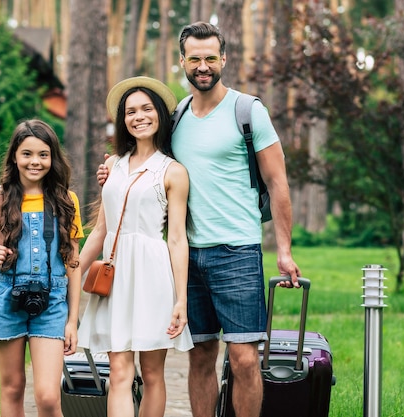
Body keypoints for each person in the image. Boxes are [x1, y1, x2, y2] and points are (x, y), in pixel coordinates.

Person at [97, 22, 301, 417]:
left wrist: (285, 250)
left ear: (223, 59)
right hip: (185, 255)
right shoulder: (177, 117)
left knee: (243, 359)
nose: (203, 66)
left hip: (237, 251)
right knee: (200, 356)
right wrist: (111, 169)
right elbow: (145, 161)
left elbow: (278, 183)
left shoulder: (248, 111)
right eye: (195, 59)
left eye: (211, 58)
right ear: (182, 62)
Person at [78, 76, 193, 417]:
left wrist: (181, 299)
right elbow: (102, 228)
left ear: (159, 114)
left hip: (153, 274)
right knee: (118, 373)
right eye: (130, 111)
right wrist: (72, 268)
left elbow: (176, 238)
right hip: (115, 274)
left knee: (154, 373)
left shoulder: (173, 171)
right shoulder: (112, 165)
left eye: (146, 109)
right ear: (122, 120)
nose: (138, 116)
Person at [0, 119, 84, 417]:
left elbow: (73, 264)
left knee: (48, 397)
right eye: (26, 153)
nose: (35, 161)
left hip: (52, 303)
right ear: (14, 156)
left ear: (53, 158)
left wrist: (72, 321)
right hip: (4, 300)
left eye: (43, 154)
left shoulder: (67, 201)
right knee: (12, 388)